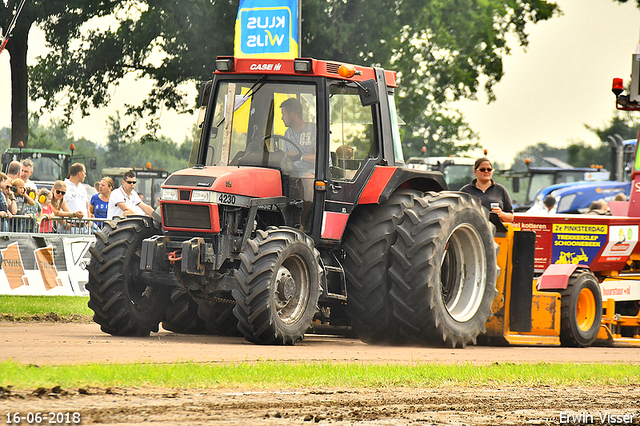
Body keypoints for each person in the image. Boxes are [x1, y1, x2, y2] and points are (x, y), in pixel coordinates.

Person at [460, 157, 514, 223]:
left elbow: (511, 217)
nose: (486, 171)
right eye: (482, 169)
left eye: (489, 169)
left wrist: (501, 214)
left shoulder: (500, 190)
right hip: (473, 231)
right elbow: (458, 215)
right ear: (475, 172)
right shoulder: (465, 191)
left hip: (496, 231)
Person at [281, 97, 316, 176]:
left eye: (283, 114)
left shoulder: (314, 130)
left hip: (312, 171)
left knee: (308, 178)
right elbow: (286, 156)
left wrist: (299, 157)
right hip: (294, 170)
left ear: (292, 115)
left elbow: (320, 159)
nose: (282, 118)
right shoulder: (288, 133)